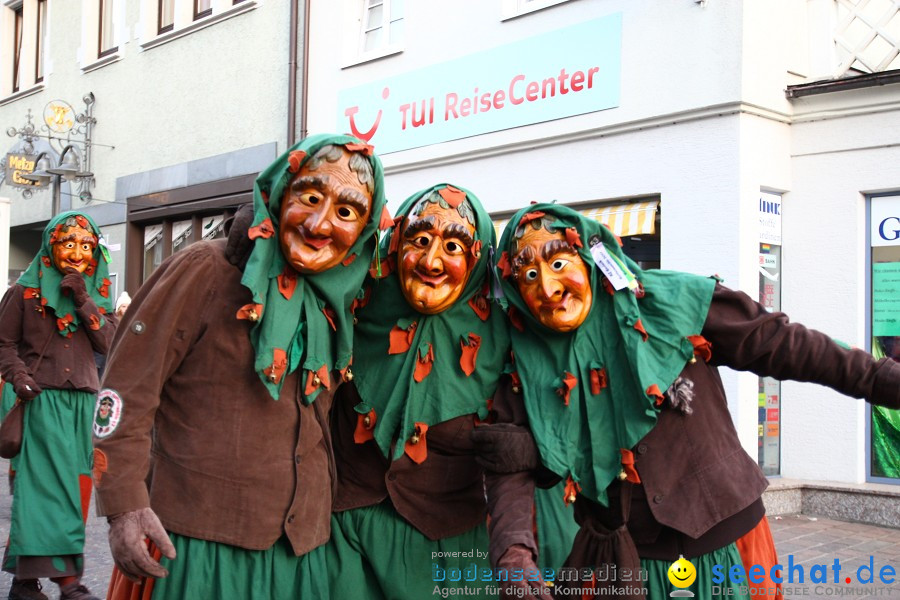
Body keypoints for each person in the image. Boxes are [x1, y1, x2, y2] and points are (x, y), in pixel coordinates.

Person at [481, 203, 900, 600]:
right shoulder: (524, 361)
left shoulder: (670, 303)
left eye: (557, 264)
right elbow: (509, 464)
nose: (549, 288)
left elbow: (780, 344)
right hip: (623, 564)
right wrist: (513, 556)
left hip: (730, 545)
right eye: (528, 276)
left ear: (590, 259)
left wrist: (882, 379)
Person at [93, 134, 388, 599]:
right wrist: (124, 506)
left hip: (300, 550)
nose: (319, 223)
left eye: (346, 212)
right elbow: (125, 390)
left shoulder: (339, 302)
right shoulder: (204, 270)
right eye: (309, 197)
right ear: (277, 194)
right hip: (202, 547)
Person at [325, 184, 511, 599]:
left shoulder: (505, 336)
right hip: (345, 540)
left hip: (450, 551)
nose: (431, 261)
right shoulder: (353, 302)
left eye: (452, 247)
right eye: (420, 241)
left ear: (477, 258)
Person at [0, 211, 117, 600]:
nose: (77, 253)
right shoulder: (24, 293)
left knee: (77, 489)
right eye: (68, 243)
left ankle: (24, 581)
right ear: (51, 246)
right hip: (41, 400)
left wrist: (83, 299)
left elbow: (110, 346)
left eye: (86, 246)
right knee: (46, 490)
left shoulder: (98, 297)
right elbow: (3, 345)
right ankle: (69, 583)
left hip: (84, 404)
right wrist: (19, 377)